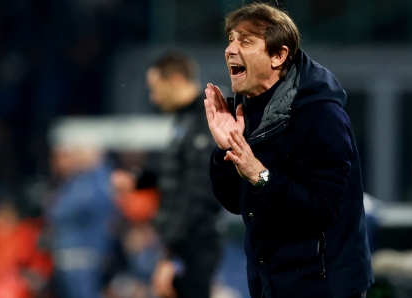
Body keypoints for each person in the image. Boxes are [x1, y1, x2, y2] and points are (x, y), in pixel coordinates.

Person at [203, 3, 374, 298]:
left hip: (323, 286)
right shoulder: (249, 110)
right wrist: (226, 149)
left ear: (278, 56)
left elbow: (322, 211)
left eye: (245, 41)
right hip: (270, 283)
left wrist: (260, 175)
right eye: (230, 39)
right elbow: (235, 202)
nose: (231, 49)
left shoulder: (320, 116)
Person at [147, 51, 223, 298]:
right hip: (187, 245)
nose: (153, 97)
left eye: (156, 88)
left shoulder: (204, 120)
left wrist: (174, 255)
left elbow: (197, 191)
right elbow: (176, 176)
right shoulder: (185, 120)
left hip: (194, 246)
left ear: (176, 81)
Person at [45, 136, 116, 298]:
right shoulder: (73, 182)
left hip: (84, 260)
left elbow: (59, 212)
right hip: (66, 259)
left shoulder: (94, 181)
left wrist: (95, 163)